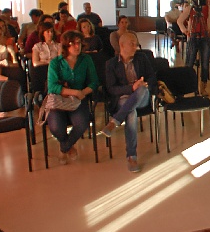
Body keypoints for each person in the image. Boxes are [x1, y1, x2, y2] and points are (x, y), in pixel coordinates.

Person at [100, 32, 157, 173]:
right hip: (123, 99)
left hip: (142, 97)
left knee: (142, 90)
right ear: (121, 45)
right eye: (131, 43)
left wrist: (143, 84)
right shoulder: (111, 64)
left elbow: (152, 76)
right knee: (131, 113)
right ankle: (132, 156)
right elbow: (111, 89)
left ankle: (115, 122)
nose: (135, 46)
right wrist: (131, 88)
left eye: (136, 43)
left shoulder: (142, 58)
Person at [46, 30, 99, 165]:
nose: (77, 46)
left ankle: (64, 148)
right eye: (73, 44)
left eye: (79, 43)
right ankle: (68, 145)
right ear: (65, 46)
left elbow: (94, 82)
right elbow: (52, 87)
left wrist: (83, 92)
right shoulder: (56, 63)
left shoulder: (86, 59)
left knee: (82, 123)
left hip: (78, 100)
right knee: (55, 127)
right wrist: (74, 91)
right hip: (59, 100)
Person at [177, 0, 210, 96]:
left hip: (205, 37)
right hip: (193, 38)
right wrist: (185, 31)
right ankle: (187, 86)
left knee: (205, 63)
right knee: (189, 63)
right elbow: (180, 20)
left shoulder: (208, 9)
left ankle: (202, 87)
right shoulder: (190, 9)